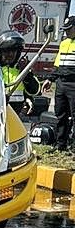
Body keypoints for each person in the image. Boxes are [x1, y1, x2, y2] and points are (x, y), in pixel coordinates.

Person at [0, 30, 39, 118]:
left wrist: (26, 73)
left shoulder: (22, 68)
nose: (10, 54)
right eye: (6, 50)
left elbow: (34, 90)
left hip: (17, 114)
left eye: (14, 51)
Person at [46, 16, 75, 150]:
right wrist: (49, 79)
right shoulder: (63, 43)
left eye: (69, 29)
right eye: (65, 29)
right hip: (60, 84)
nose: (66, 32)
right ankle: (60, 145)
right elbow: (57, 65)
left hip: (73, 84)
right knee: (60, 115)